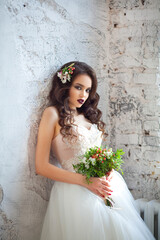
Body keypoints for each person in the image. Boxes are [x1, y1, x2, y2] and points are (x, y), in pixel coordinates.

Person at [35, 61, 155, 240]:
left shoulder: (87, 115)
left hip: (106, 186)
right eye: (78, 87)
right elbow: (41, 166)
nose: (83, 94)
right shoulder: (52, 114)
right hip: (74, 191)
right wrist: (86, 181)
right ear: (65, 85)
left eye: (87, 90)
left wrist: (105, 170)